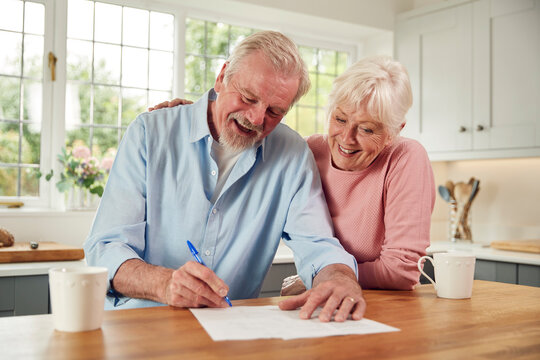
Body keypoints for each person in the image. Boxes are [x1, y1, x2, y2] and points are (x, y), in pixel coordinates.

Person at [84, 30, 365, 323]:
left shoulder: (292, 155)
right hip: (138, 327)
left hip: (230, 334)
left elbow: (318, 244)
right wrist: (163, 283)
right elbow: (105, 248)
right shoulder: (150, 133)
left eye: (275, 111)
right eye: (248, 98)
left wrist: (340, 277)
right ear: (222, 77)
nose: (257, 119)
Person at [156, 56, 435, 293]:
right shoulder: (310, 150)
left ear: (395, 131)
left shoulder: (406, 157)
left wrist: (319, 276)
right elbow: (245, 141)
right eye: (340, 119)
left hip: (384, 304)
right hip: (327, 297)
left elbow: (401, 270)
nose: (347, 138)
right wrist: (199, 116)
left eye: (367, 129)